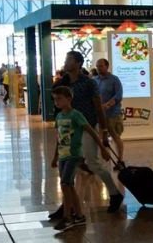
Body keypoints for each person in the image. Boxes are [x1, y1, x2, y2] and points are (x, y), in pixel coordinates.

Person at [50, 51, 123, 219]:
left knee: (93, 162)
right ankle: (68, 205)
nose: (65, 62)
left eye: (69, 59)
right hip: (69, 129)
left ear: (78, 63)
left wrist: (104, 131)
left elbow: (98, 107)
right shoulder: (63, 83)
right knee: (69, 168)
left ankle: (114, 193)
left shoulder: (88, 83)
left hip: (87, 125)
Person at [50, 86, 112, 232]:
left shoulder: (76, 115)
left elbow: (91, 132)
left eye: (59, 99)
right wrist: (55, 157)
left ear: (69, 99)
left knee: (65, 183)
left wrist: (103, 149)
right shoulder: (59, 117)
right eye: (55, 99)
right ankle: (79, 215)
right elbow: (59, 138)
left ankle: (67, 217)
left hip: (74, 155)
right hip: (63, 155)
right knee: (69, 185)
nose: (57, 102)